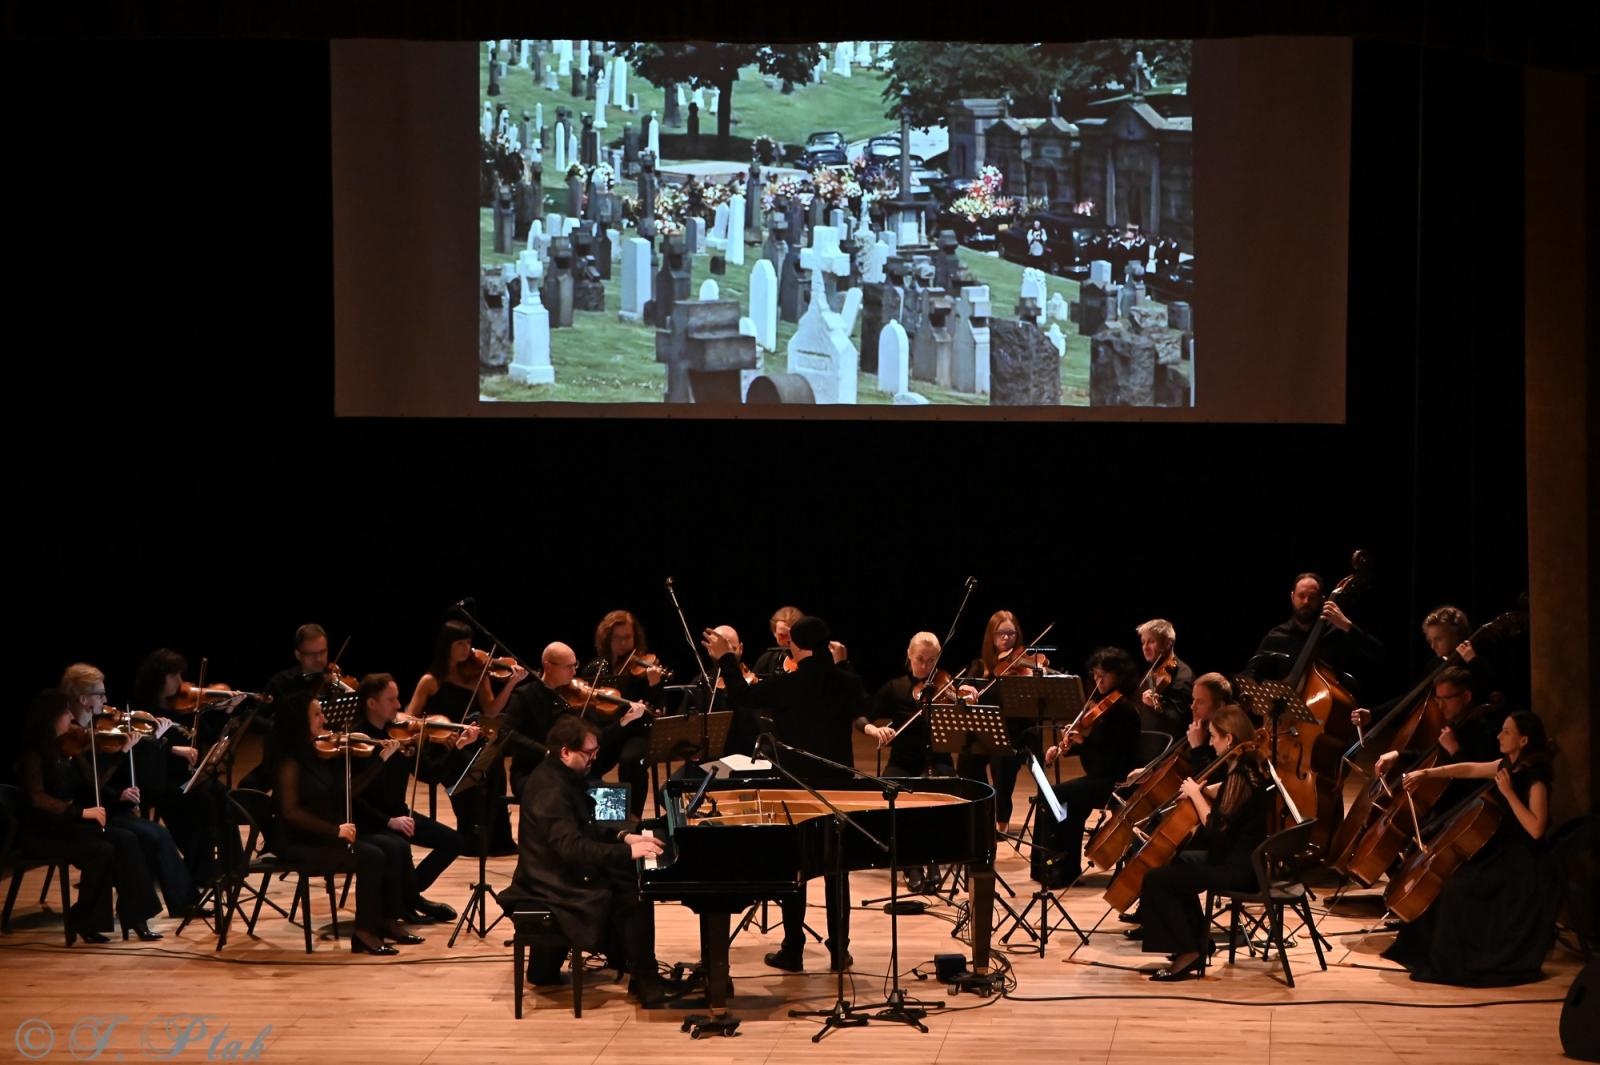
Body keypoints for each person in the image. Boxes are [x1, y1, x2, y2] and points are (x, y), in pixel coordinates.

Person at [705, 615, 865, 973]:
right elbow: (858, 700)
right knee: (836, 872)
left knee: (796, 868)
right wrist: (844, 662)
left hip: (795, 787)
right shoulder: (847, 682)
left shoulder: (789, 684)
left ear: (794, 645)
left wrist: (725, 659)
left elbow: (743, 695)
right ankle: (840, 950)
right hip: (839, 788)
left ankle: (793, 949)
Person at [504, 715, 672, 1007]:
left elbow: (587, 824)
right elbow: (572, 847)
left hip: (554, 871)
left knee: (626, 875)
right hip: (552, 884)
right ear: (566, 751)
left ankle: (635, 966)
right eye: (589, 753)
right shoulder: (550, 790)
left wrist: (623, 837)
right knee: (633, 891)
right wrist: (626, 853)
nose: (595, 758)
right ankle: (644, 978)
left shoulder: (562, 775)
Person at [1383, 711, 1559, 986]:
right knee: (1449, 880)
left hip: (1523, 861)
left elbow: (1537, 829)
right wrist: (1427, 773)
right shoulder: (1507, 765)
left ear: (1523, 740)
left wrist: (1510, 794)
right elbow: (1468, 769)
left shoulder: (1535, 779)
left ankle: (1462, 960)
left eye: (1507, 732)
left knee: (1459, 887)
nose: (1499, 735)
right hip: (1501, 850)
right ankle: (1430, 952)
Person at [272, 691, 420, 955]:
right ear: (299, 722)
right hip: (300, 841)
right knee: (373, 855)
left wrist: (380, 761)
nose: (324, 718)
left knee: (395, 846)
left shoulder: (320, 753)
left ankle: (387, 920)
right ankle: (363, 934)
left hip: (327, 834)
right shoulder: (290, 761)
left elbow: (347, 793)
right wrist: (335, 830)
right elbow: (291, 813)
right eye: (317, 714)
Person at [1136, 704, 1271, 981]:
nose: (1210, 742)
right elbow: (1231, 801)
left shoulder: (1239, 774)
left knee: (1157, 879)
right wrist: (1205, 791)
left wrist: (1196, 795)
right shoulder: (1248, 766)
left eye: (1213, 737)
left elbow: (1216, 829)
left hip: (1238, 869)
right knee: (1174, 861)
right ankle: (1198, 942)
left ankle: (1188, 952)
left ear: (1229, 738)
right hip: (1239, 860)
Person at [17, 689, 164, 942]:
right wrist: (81, 811)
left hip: (69, 823)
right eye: (65, 713)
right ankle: (84, 919)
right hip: (46, 829)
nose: (70, 718)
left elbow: (95, 781)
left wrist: (121, 752)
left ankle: (137, 918)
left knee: (126, 839)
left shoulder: (67, 747)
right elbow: (38, 798)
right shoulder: (35, 753)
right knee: (103, 849)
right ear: (51, 717)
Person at [60, 663, 199, 920]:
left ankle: (184, 903)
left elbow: (106, 778)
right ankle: (151, 909)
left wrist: (122, 789)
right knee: (149, 836)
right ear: (82, 698)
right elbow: (87, 783)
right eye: (100, 694)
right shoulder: (70, 735)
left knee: (156, 833)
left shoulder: (97, 729)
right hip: (89, 812)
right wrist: (121, 763)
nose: (106, 700)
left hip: (109, 805)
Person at [352, 673, 468, 922]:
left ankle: (410, 895)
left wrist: (456, 749)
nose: (398, 706)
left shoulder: (401, 736)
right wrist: (388, 822)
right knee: (399, 844)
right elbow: (353, 799)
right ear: (372, 704)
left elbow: (431, 774)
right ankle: (407, 902)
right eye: (391, 699)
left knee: (454, 841)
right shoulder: (359, 741)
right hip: (370, 820)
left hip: (398, 813)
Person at [406, 620, 528, 856]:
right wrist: (437, 729)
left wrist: (511, 683)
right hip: (440, 747)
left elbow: (491, 711)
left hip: (469, 740)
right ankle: (471, 835)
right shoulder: (430, 681)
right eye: (461, 644)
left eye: (469, 643)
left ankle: (497, 838)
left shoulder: (476, 675)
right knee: (465, 765)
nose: (467, 649)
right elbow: (410, 719)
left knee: (493, 763)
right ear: (447, 646)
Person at [1033, 647, 1142, 888]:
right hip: (1099, 776)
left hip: (1116, 781)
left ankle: (1053, 866)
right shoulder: (1105, 705)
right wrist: (1066, 747)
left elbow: (1113, 758)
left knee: (1054, 794)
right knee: (1063, 800)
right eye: (1095, 675)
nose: (1098, 680)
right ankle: (1065, 868)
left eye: (1104, 675)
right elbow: (1096, 747)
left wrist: (1085, 741)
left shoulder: (1123, 709)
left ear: (1119, 675)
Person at [956, 610, 1047, 834]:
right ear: (991, 637)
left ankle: (1001, 820)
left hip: (1016, 734)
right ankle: (977, 812)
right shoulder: (979, 666)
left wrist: (1039, 676)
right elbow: (963, 689)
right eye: (1001, 634)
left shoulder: (1025, 664)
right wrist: (965, 689)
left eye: (1011, 634)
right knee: (967, 758)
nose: (1006, 639)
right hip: (986, 732)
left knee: (1002, 759)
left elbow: (1038, 701)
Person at [582, 611, 665, 817]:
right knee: (585, 764)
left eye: (628, 637)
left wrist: (654, 685)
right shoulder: (596, 668)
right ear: (607, 639)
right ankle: (604, 817)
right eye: (617, 638)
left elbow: (658, 709)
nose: (623, 643)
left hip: (636, 731)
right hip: (608, 730)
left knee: (630, 760)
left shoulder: (645, 669)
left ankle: (633, 818)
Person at [1246, 572, 1383, 690]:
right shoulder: (1277, 636)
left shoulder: (1337, 631)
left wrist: (1347, 625)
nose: (1306, 602)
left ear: (1322, 600)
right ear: (1292, 597)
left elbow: (1378, 654)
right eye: (1301, 596)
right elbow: (1250, 675)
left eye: (1312, 597)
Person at [864, 631, 955, 778]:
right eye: (920, 659)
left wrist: (966, 698)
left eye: (931, 660)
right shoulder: (895, 687)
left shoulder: (945, 685)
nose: (925, 666)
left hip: (939, 761)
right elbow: (863, 717)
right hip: (902, 762)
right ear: (909, 654)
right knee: (888, 789)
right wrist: (875, 730)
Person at [1134, 619, 1193, 739]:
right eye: (1143, 642)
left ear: (1168, 643)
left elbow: (1177, 721)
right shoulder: (1153, 670)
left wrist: (1155, 707)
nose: (1145, 647)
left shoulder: (1183, 675)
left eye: (1151, 641)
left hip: (1164, 744)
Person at [751, 605, 803, 677]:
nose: (788, 640)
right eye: (782, 635)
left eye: (792, 635)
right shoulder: (766, 660)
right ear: (774, 632)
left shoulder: (812, 657)